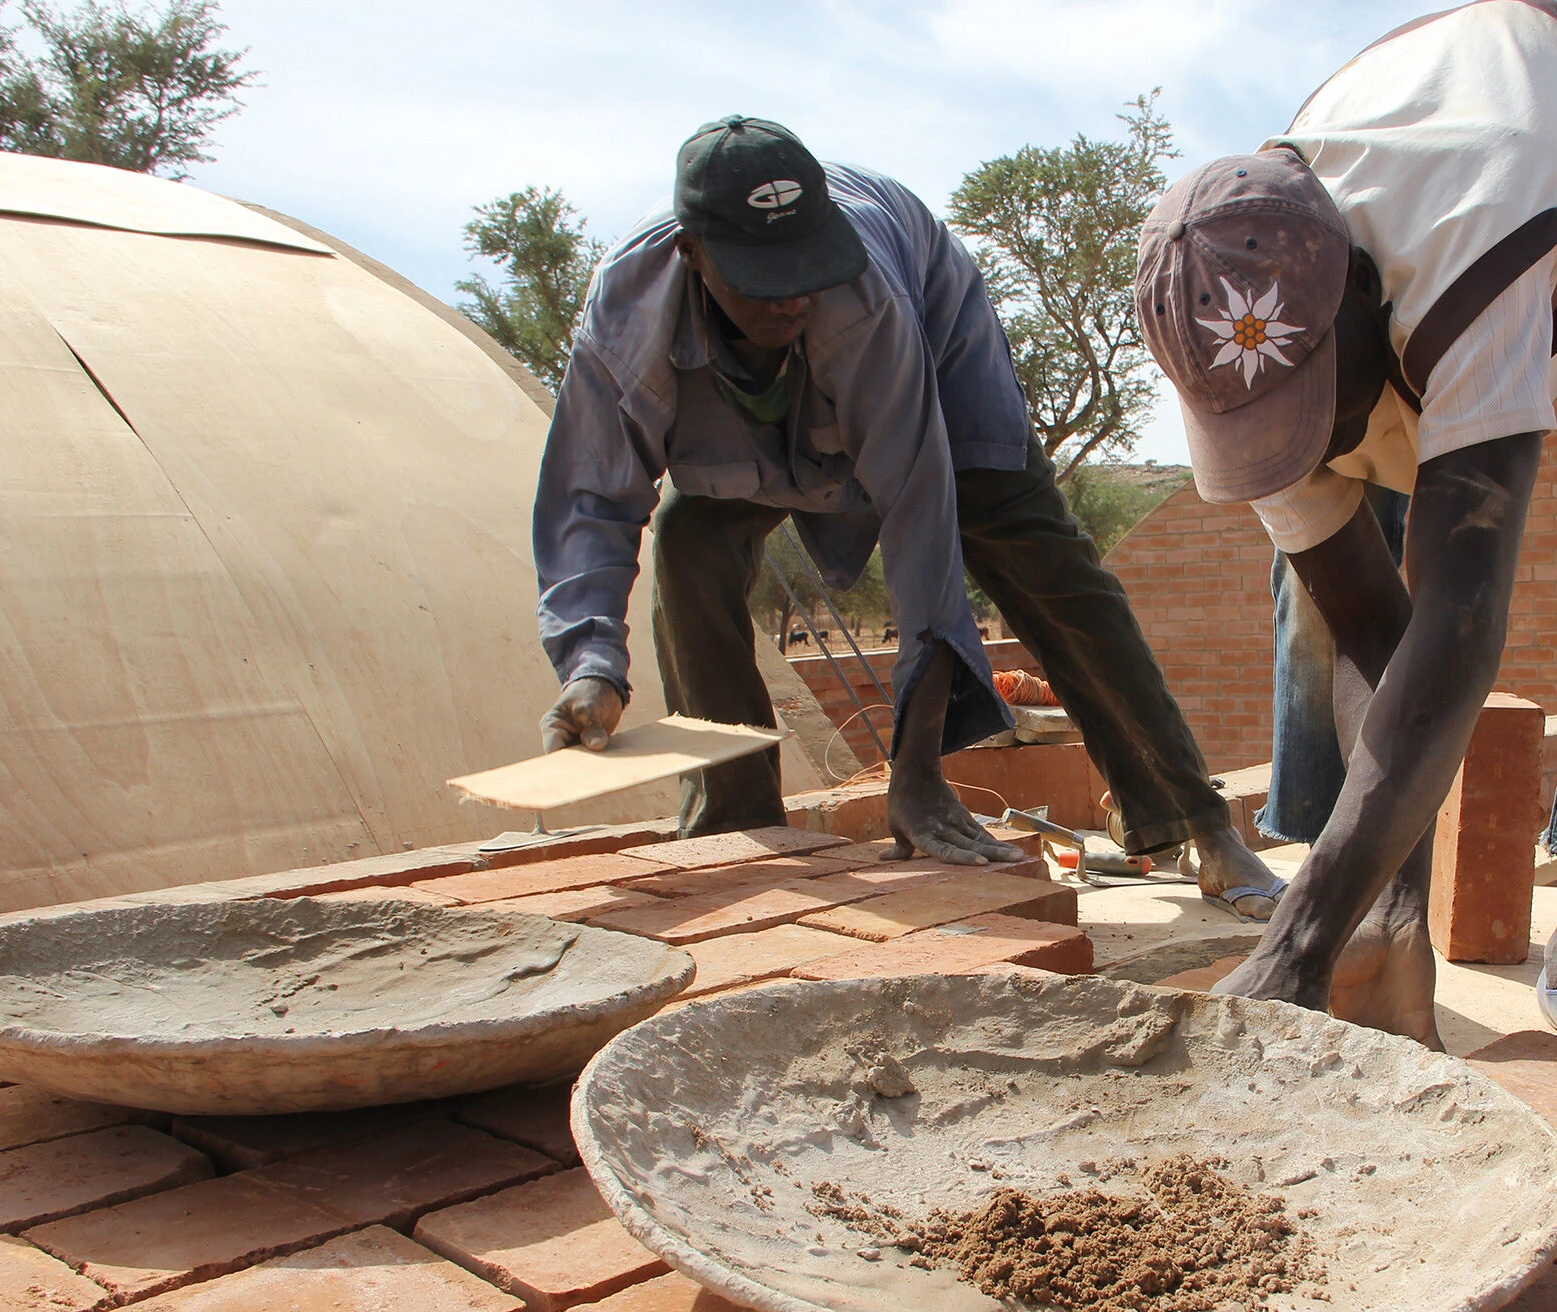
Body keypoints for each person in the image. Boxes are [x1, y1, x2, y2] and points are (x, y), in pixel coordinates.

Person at [1133, 2, 1557, 1058]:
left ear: (1368, 298)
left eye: (1321, 412)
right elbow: (1374, 625)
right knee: (1314, 612)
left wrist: (1294, 944)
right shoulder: (1224, 317)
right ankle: (1376, 923)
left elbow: (1458, 624)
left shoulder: (1475, 260)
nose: (1314, 452)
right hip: (1443, 138)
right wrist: (1378, 910)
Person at [531, 115, 1283, 910]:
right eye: (764, 275)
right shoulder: (626, 321)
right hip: (736, 414)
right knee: (689, 540)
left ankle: (1197, 823)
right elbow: (589, 498)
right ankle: (737, 820)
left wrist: (917, 773)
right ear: (693, 253)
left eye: (806, 264)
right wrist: (591, 665)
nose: (793, 294)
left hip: (936, 338)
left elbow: (922, 524)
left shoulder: (859, 296)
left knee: (1038, 555)